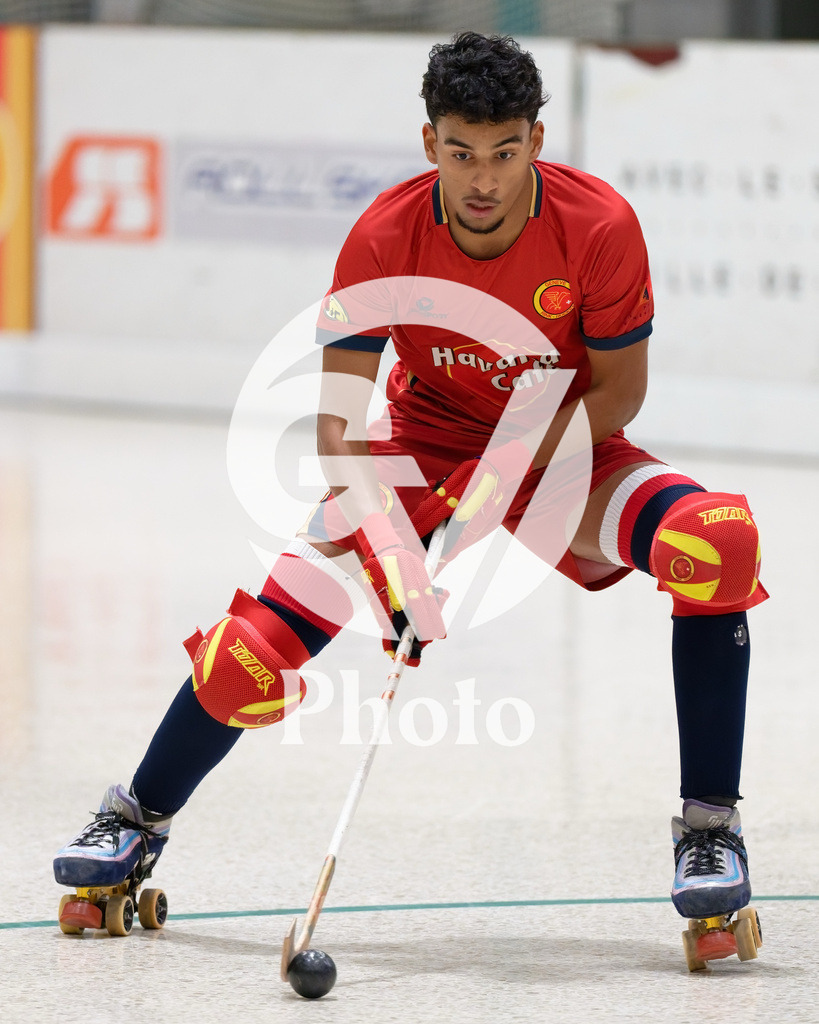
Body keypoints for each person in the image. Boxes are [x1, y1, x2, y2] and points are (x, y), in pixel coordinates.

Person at [54, 31, 766, 934]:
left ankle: (709, 830)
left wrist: (502, 471)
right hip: (421, 450)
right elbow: (336, 432)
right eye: (462, 153)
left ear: (536, 143)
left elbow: (619, 391)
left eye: (505, 154)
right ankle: (133, 822)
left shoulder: (600, 227)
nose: (483, 180)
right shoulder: (383, 236)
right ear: (429, 142)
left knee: (716, 543)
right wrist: (395, 556)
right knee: (247, 649)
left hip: (562, 449)